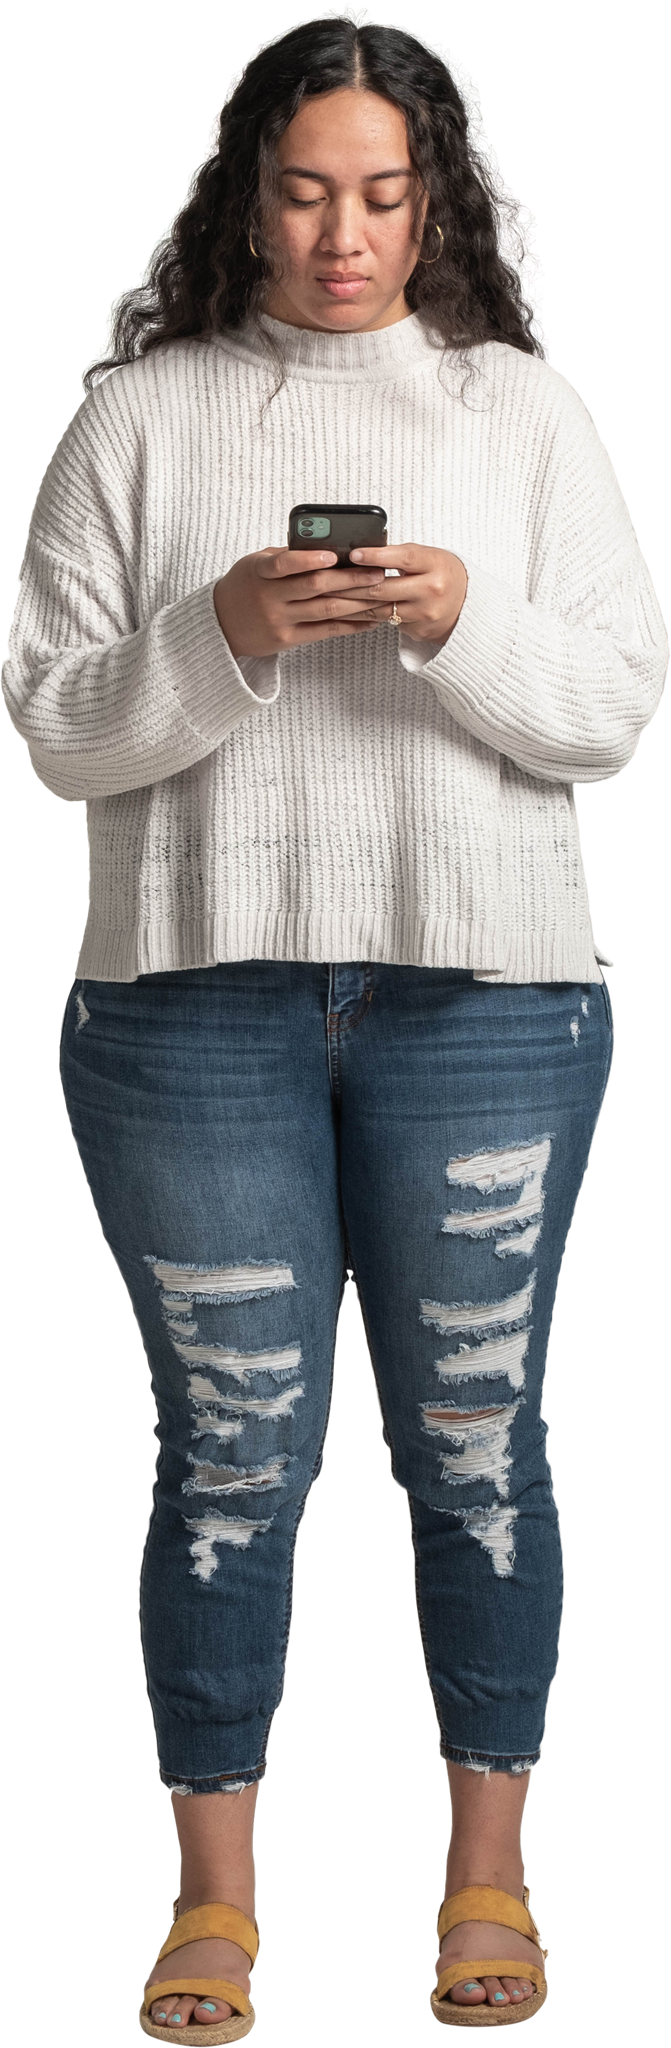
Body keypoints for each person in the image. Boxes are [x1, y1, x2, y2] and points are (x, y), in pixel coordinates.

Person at [2, 16, 666, 2035]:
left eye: (384, 194)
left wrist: (456, 617)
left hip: (490, 1000)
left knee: (472, 1440)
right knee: (230, 1454)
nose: (343, 235)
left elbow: (609, 711)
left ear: (438, 200)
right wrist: (222, 631)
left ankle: (487, 1874)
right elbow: (54, 728)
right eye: (303, 193)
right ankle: (215, 1901)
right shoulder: (141, 417)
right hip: (187, 1006)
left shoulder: (519, 415)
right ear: (246, 198)